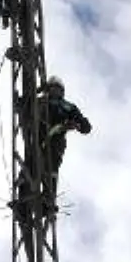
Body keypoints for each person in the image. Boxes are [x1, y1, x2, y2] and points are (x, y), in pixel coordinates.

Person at [37, 76, 91, 206]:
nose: (55, 91)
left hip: (56, 137)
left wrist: (79, 124)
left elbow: (85, 126)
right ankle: (24, 201)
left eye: (58, 88)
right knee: (32, 164)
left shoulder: (68, 106)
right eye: (52, 88)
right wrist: (36, 90)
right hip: (38, 136)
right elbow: (23, 104)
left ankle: (48, 199)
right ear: (48, 90)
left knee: (52, 165)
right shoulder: (39, 101)